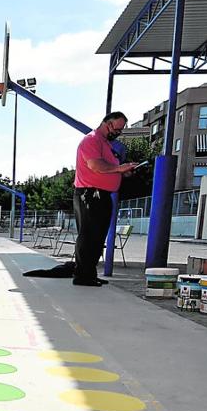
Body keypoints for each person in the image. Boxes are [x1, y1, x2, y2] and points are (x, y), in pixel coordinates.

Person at [72, 112, 137, 287]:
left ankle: (89, 273)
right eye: (116, 129)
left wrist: (123, 170)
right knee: (89, 235)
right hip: (90, 194)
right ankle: (83, 275)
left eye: (121, 130)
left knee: (98, 236)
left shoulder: (106, 145)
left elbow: (109, 167)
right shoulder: (91, 140)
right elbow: (96, 165)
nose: (118, 133)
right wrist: (119, 168)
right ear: (106, 124)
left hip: (102, 195)